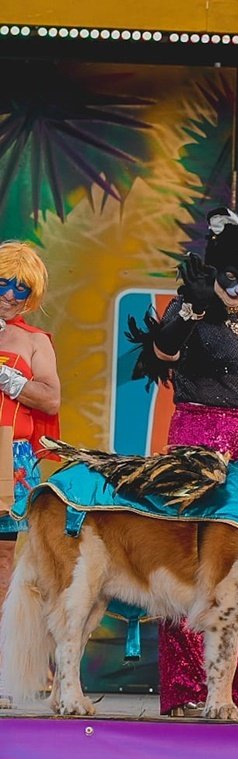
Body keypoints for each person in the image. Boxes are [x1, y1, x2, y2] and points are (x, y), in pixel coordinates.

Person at [128, 207, 238, 718]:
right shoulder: (192, 305)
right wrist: (191, 309)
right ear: (215, 268)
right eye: (230, 276)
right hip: (200, 450)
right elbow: (159, 354)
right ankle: (190, 689)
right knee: (193, 561)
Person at [0, 243, 61, 707]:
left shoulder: (35, 340)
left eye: (20, 289)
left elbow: (51, 399)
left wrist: (10, 378)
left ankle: (6, 670)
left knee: (5, 560)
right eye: (3, 284)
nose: (9, 295)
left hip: (9, 454)